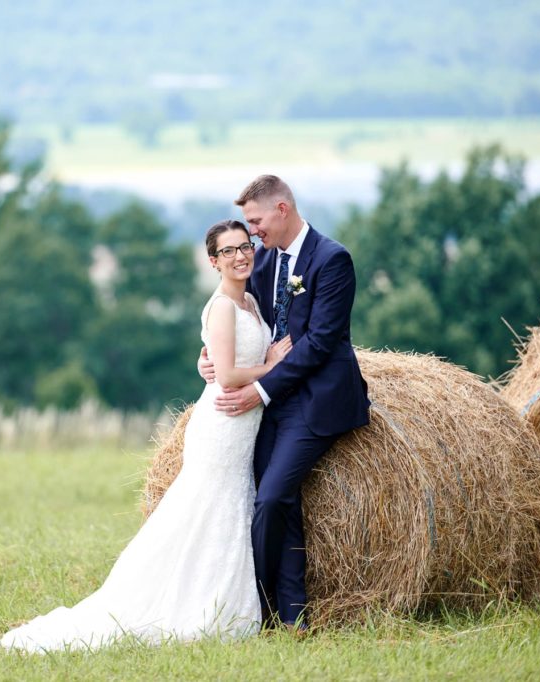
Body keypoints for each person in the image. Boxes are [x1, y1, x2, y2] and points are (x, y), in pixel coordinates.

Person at [0, 220, 292, 653]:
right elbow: (226, 376)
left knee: (225, 509)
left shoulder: (250, 302)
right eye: (228, 251)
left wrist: (239, 361)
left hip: (243, 426)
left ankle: (217, 598)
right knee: (209, 508)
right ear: (213, 261)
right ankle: (189, 605)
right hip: (222, 425)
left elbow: (222, 360)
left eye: (245, 247)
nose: (240, 256)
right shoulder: (222, 307)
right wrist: (274, 365)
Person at [199, 175, 370, 630]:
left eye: (256, 222)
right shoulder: (265, 260)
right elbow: (233, 314)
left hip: (315, 401)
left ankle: (258, 601)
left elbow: (319, 343)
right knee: (280, 500)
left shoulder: (331, 259)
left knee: (272, 497)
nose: (252, 234)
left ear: (282, 209)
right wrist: (208, 356)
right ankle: (291, 616)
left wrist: (260, 389)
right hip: (270, 405)